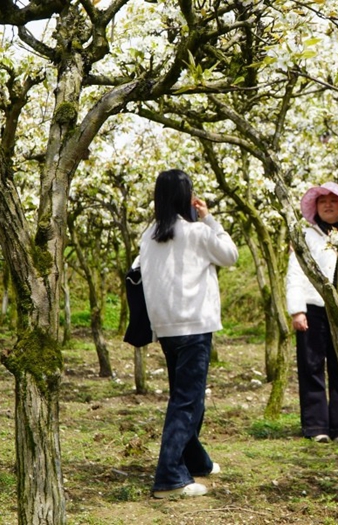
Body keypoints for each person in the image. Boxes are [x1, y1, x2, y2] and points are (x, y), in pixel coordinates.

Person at [140, 169, 239, 498]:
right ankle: (168, 476)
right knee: (187, 401)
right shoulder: (196, 233)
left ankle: (197, 461)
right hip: (195, 326)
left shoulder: (148, 235)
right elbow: (231, 256)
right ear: (188, 198)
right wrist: (210, 220)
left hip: (166, 328)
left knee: (186, 398)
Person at [285, 182, 338, 444]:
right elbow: (294, 274)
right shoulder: (306, 235)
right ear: (315, 207)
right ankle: (316, 427)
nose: (328, 205)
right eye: (322, 201)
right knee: (312, 366)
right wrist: (297, 310)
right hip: (312, 309)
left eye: (333, 200)